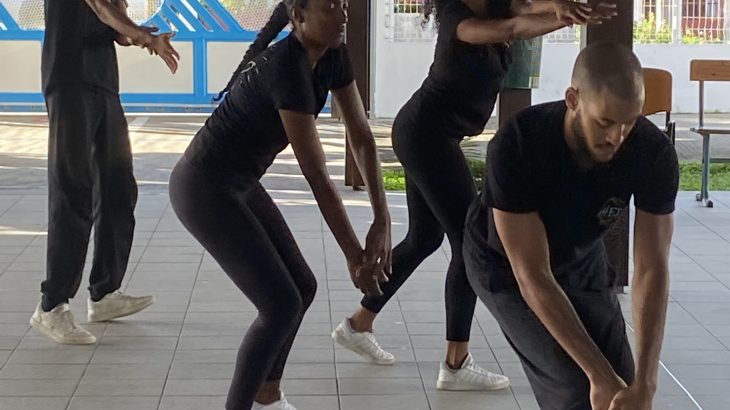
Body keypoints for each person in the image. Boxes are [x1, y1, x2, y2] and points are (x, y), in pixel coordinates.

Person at [332, 0, 615, 391]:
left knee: (424, 238)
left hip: (431, 134)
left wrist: (564, 10)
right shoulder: (456, 19)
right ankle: (456, 362)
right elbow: (512, 29)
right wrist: (563, 18)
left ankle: (358, 324)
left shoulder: (497, 5)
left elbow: (527, 9)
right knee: (470, 242)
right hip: (425, 135)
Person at [168, 1, 391, 409]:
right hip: (203, 188)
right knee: (279, 304)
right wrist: (354, 255)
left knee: (301, 288)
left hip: (239, 182)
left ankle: (267, 396)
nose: (343, 16)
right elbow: (317, 175)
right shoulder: (287, 70)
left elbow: (361, 137)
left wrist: (382, 218)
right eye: (330, 8)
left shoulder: (333, 53)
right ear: (299, 17)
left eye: (343, 5)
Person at [463, 42, 678, 409]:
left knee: (624, 387)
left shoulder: (652, 152)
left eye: (629, 123)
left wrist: (646, 381)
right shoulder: (519, 144)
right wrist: (597, 374)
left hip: (581, 254)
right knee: (577, 386)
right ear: (573, 100)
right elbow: (533, 275)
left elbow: (651, 269)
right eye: (605, 122)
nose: (616, 138)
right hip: (504, 264)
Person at [31, 0, 180, 344]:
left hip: (103, 82)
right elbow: (101, 8)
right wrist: (145, 37)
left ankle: (104, 293)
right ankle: (52, 305)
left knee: (118, 188)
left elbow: (115, 22)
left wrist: (134, 35)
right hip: (69, 79)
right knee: (74, 190)